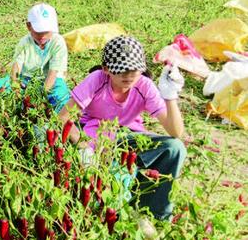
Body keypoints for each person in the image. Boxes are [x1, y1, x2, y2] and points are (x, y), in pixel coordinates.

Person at [59, 36, 186, 220]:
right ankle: (113, 209)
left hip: (128, 138)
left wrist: (170, 96)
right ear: (106, 69)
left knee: (175, 149)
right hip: (96, 137)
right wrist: (84, 147)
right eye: (121, 71)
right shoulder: (97, 80)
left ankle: (153, 214)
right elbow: (63, 118)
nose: (128, 75)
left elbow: (176, 132)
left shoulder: (144, 85)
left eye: (134, 70)